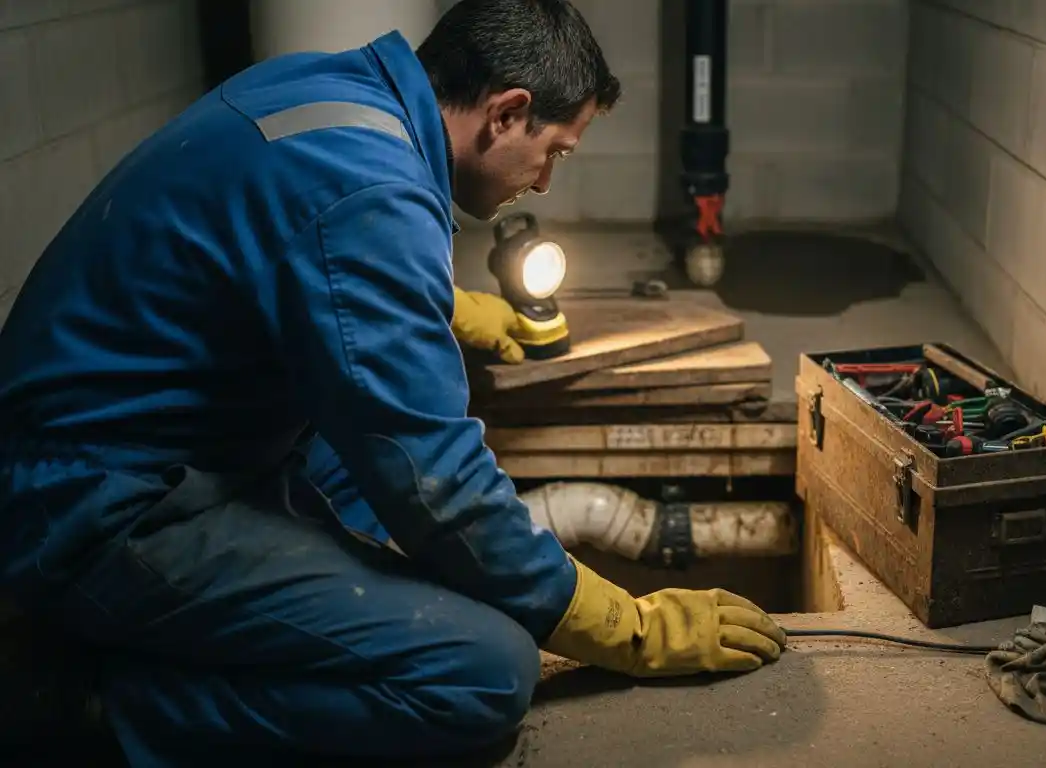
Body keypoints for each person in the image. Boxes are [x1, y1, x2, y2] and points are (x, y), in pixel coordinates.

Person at [0, 1, 787, 765]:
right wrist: (625, 627)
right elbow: (438, 481)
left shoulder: (338, 93)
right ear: (506, 112)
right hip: (96, 512)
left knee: (406, 508)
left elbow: (297, 257)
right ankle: (101, 709)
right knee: (481, 671)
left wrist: (441, 305)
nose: (546, 181)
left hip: (137, 443)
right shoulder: (370, 194)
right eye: (557, 151)